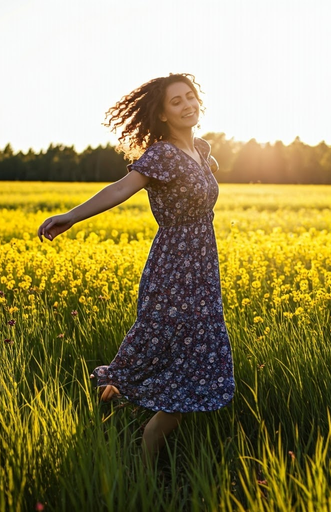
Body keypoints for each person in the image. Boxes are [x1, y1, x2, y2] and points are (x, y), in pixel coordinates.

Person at [37, 73, 235, 463]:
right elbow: (119, 189)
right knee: (170, 348)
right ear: (161, 114)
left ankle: (115, 399)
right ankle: (141, 464)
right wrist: (72, 216)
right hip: (174, 268)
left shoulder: (202, 149)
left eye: (190, 96)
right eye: (175, 101)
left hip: (203, 270)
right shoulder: (161, 155)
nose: (187, 105)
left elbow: (201, 186)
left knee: (191, 350)